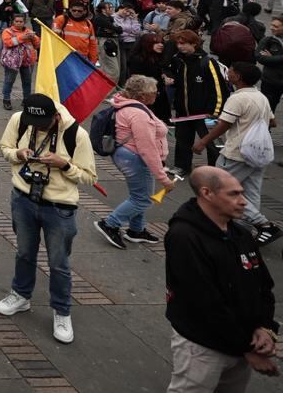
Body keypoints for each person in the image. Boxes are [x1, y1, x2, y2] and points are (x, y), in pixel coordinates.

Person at [0, 93, 97, 344]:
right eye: (33, 124)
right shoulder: (20, 121)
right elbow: (4, 148)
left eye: (42, 124)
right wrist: (18, 154)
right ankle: (20, 295)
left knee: (59, 262)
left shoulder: (77, 135)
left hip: (59, 207)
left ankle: (62, 311)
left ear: (56, 116)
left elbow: (89, 177)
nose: (36, 128)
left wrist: (64, 165)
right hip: (23, 198)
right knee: (25, 252)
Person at [165, 166, 279, 390]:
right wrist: (246, 348)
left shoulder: (241, 234)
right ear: (207, 193)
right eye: (234, 194)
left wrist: (265, 328)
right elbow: (204, 302)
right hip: (203, 346)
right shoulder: (184, 237)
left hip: (244, 341)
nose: (244, 201)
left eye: (242, 193)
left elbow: (263, 286)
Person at [195, 62, 278, 245]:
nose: (228, 73)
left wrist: (203, 141)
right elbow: (273, 122)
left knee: (219, 189)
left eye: (230, 71)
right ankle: (244, 231)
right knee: (251, 192)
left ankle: (264, 225)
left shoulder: (237, 98)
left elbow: (224, 125)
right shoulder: (260, 96)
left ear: (238, 77)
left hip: (237, 152)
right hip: (259, 152)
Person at [95, 75, 175, 249]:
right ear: (142, 96)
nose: (158, 94)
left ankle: (136, 230)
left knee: (139, 195)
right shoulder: (138, 114)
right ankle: (110, 224)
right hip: (135, 159)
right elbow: (146, 148)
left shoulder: (127, 104)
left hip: (125, 155)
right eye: (154, 92)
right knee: (143, 199)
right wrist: (163, 178)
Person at [165, 29, 228, 178]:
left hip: (205, 112)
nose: (180, 47)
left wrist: (215, 110)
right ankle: (182, 166)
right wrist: (169, 78)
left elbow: (219, 88)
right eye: (178, 43)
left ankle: (215, 170)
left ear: (194, 44)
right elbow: (173, 77)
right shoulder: (177, 60)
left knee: (211, 142)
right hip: (183, 111)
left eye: (183, 43)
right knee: (182, 141)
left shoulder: (207, 62)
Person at [0, 13, 40, 110]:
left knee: (27, 82)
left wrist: (33, 38)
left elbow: (37, 45)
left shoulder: (30, 32)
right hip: (12, 62)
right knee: (9, 81)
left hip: (27, 61)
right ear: (12, 22)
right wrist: (22, 38)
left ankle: (26, 100)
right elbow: (8, 43)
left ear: (24, 22)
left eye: (21, 21)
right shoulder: (7, 31)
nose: (18, 23)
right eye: (16, 21)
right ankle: (6, 100)